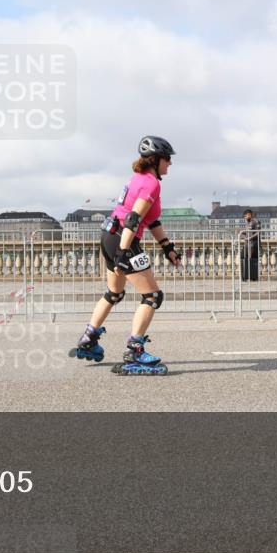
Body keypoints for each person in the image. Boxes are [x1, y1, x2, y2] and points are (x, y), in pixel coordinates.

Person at [68, 135, 182, 376]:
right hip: (123, 239)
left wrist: (167, 247)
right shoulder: (151, 183)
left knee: (114, 294)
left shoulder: (138, 179)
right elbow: (133, 219)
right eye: (168, 159)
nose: (170, 163)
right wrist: (123, 253)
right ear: (156, 159)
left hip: (110, 236)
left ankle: (89, 338)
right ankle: (135, 349)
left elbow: (151, 220)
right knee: (152, 296)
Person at [239, 208, 261, 281]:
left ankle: (253, 276)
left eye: (245, 216)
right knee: (242, 257)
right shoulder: (247, 223)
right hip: (247, 244)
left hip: (254, 244)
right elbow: (245, 233)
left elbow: (258, 232)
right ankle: (245, 276)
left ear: (249, 215)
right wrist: (241, 234)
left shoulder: (256, 221)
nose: (244, 218)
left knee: (252, 260)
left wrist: (250, 238)